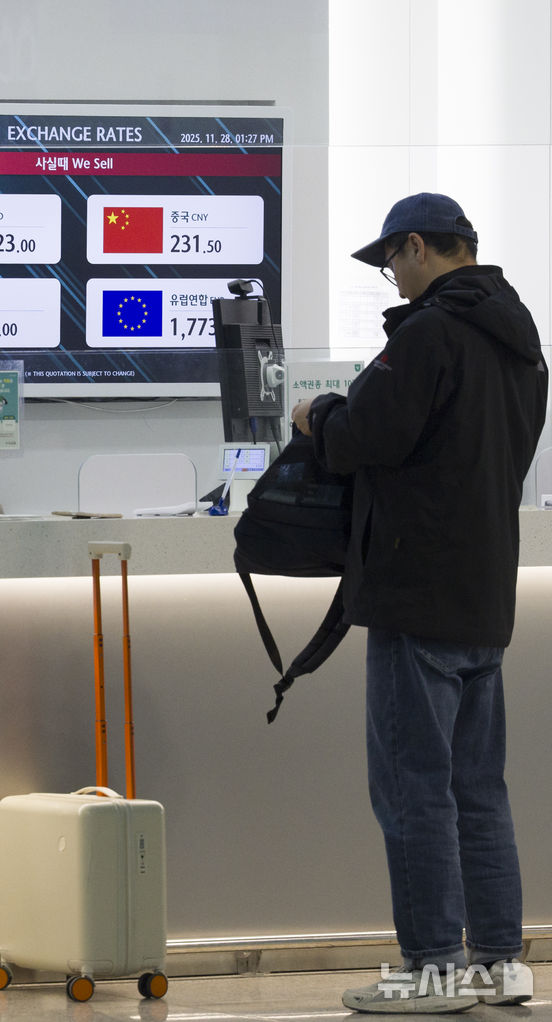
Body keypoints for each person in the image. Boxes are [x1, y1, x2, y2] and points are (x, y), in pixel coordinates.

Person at [292, 193, 548, 1013]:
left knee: (413, 789)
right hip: (483, 591)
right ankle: (500, 963)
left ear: (418, 247)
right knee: (479, 786)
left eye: (390, 264)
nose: (389, 281)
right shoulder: (522, 340)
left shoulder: (430, 333)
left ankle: (434, 963)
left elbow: (363, 437)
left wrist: (315, 414)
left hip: (414, 591)